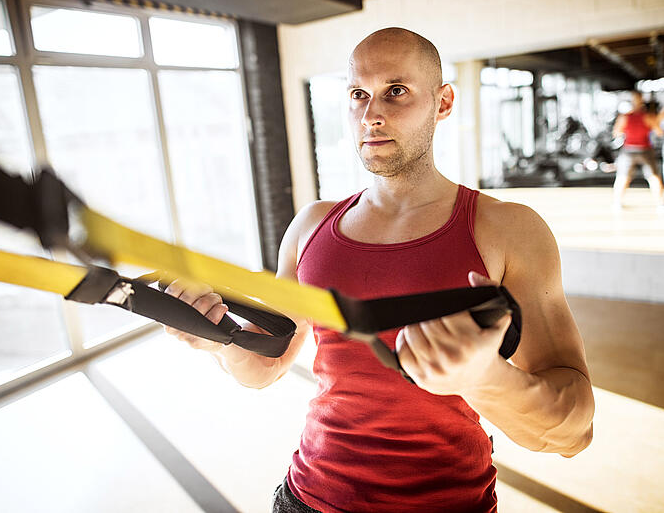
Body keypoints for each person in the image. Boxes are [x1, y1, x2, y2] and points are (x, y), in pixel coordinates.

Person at [163, 28, 594, 512]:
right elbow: (265, 365)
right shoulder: (310, 226)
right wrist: (218, 338)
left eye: (396, 91)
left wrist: (483, 378)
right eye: (357, 94)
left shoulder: (509, 230)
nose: (372, 114)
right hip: (309, 498)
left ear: (443, 102)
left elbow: (573, 432)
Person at [612, 90, 664, 209]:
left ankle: (617, 203)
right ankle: (660, 204)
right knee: (653, 177)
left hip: (629, 150)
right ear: (642, 101)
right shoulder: (648, 117)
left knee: (623, 177)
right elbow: (659, 132)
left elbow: (616, 133)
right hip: (645, 149)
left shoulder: (624, 117)